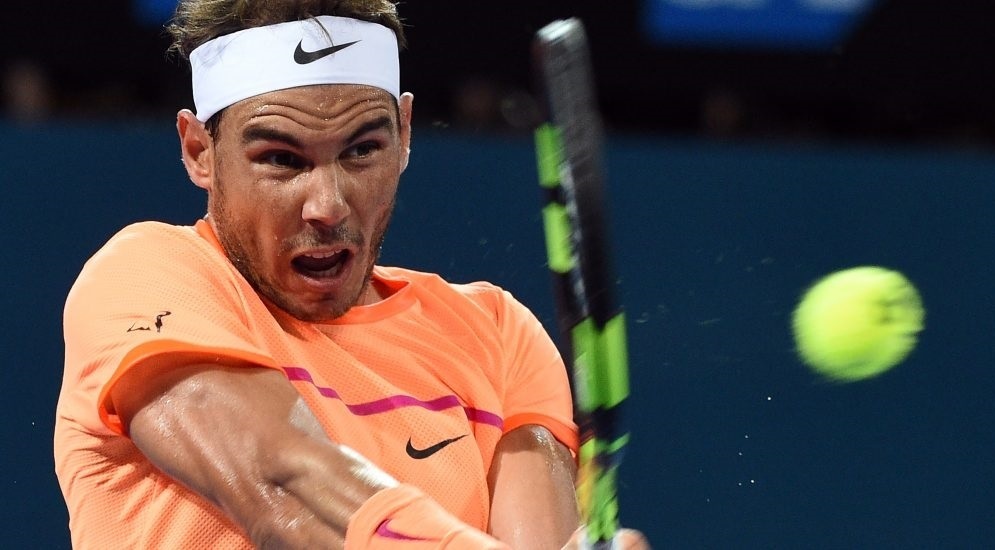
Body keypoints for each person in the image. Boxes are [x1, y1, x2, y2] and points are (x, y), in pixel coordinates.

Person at [54, 1, 648, 548]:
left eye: (362, 150)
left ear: (405, 133)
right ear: (199, 151)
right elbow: (284, 485)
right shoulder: (143, 277)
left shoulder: (494, 333)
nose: (328, 205)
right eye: (281, 159)